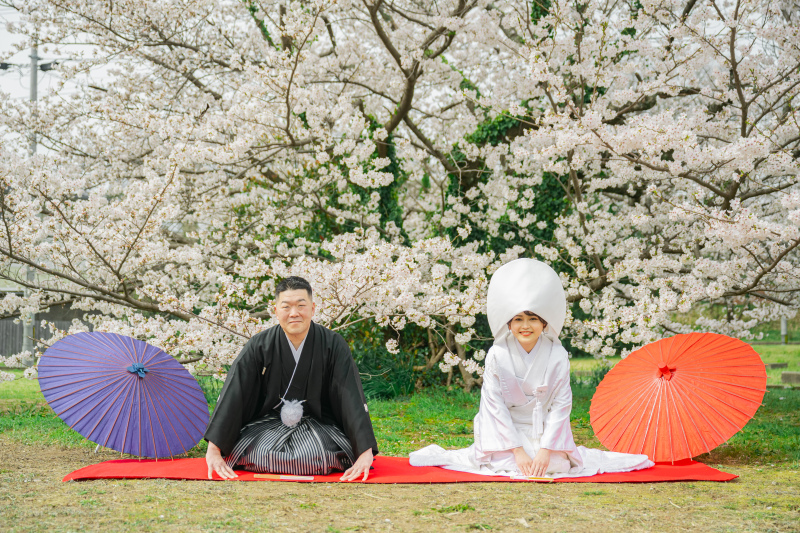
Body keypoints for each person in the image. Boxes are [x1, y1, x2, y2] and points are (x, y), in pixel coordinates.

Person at [410, 259, 654, 478]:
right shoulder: (497, 354)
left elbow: (561, 405)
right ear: (509, 323)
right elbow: (493, 406)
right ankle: (518, 453)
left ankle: (542, 453)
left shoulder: (557, 355)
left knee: (556, 464)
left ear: (544, 323)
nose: (525, 326)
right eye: (518, 319)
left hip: (544, 430)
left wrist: (546, 451)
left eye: (533, 319)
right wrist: (518, 451)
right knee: (506, 461)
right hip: (505, 432)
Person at [204, 276, 378, 481]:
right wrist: (214, 450)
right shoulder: (259, 345)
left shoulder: (333, 344)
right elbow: (235, 392)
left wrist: (364, 452)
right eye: (286, 306)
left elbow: (350, 396)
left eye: (301, 305)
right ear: (276, 311)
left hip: (319, 426)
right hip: (268, 424)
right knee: (261, 451)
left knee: (316, 454)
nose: (294, 313)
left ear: (313, 308)